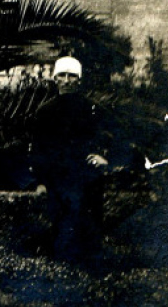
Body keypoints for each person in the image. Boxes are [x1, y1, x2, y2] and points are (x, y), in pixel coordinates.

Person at [28, 56, 126, 264]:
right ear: (55, 79)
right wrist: (40, 182)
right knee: (60, 227)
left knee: (89, 228)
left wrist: (105, 157)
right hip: (57, 180)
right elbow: (38, 150)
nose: (66, 80)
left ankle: (92, 277)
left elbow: (119, 135)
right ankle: (62, 277)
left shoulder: (93, 108)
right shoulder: (44, 111)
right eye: (61, 75)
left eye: (71, 76)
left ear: (79, 80)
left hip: (87, 178)